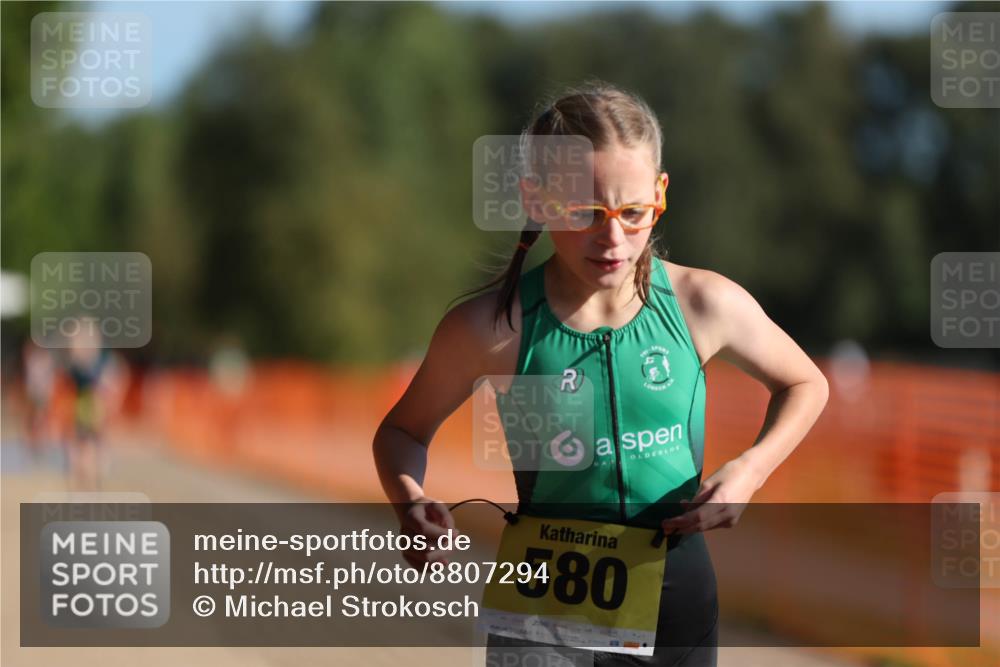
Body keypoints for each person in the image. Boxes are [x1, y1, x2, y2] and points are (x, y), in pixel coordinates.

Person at [372, 81, 829, 666]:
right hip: (543, 603)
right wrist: (408, 501)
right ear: (536, 199)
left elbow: (806, 383)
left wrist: (750, 471)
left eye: (633, 213)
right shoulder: (491, 328)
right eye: (585, 212)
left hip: (676, 599)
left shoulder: (703, 303)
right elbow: (402, 432)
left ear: (660, 194)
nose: (613, 238)